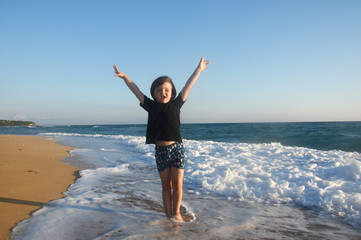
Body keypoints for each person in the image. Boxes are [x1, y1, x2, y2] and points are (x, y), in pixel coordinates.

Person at [113, 57, 209, 221]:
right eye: (159, 90)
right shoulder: (151, 106)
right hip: (160, 151)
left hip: (177, 149)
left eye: (166, 90)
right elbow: (135, 89)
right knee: (166, 185)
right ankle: (168, 214)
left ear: (171, 92)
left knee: (177, 185)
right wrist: (125, 78)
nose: (163, 93)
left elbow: (188, 85)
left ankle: (176, 213)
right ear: (153, 93)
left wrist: (198, 69)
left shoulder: (176, 104)